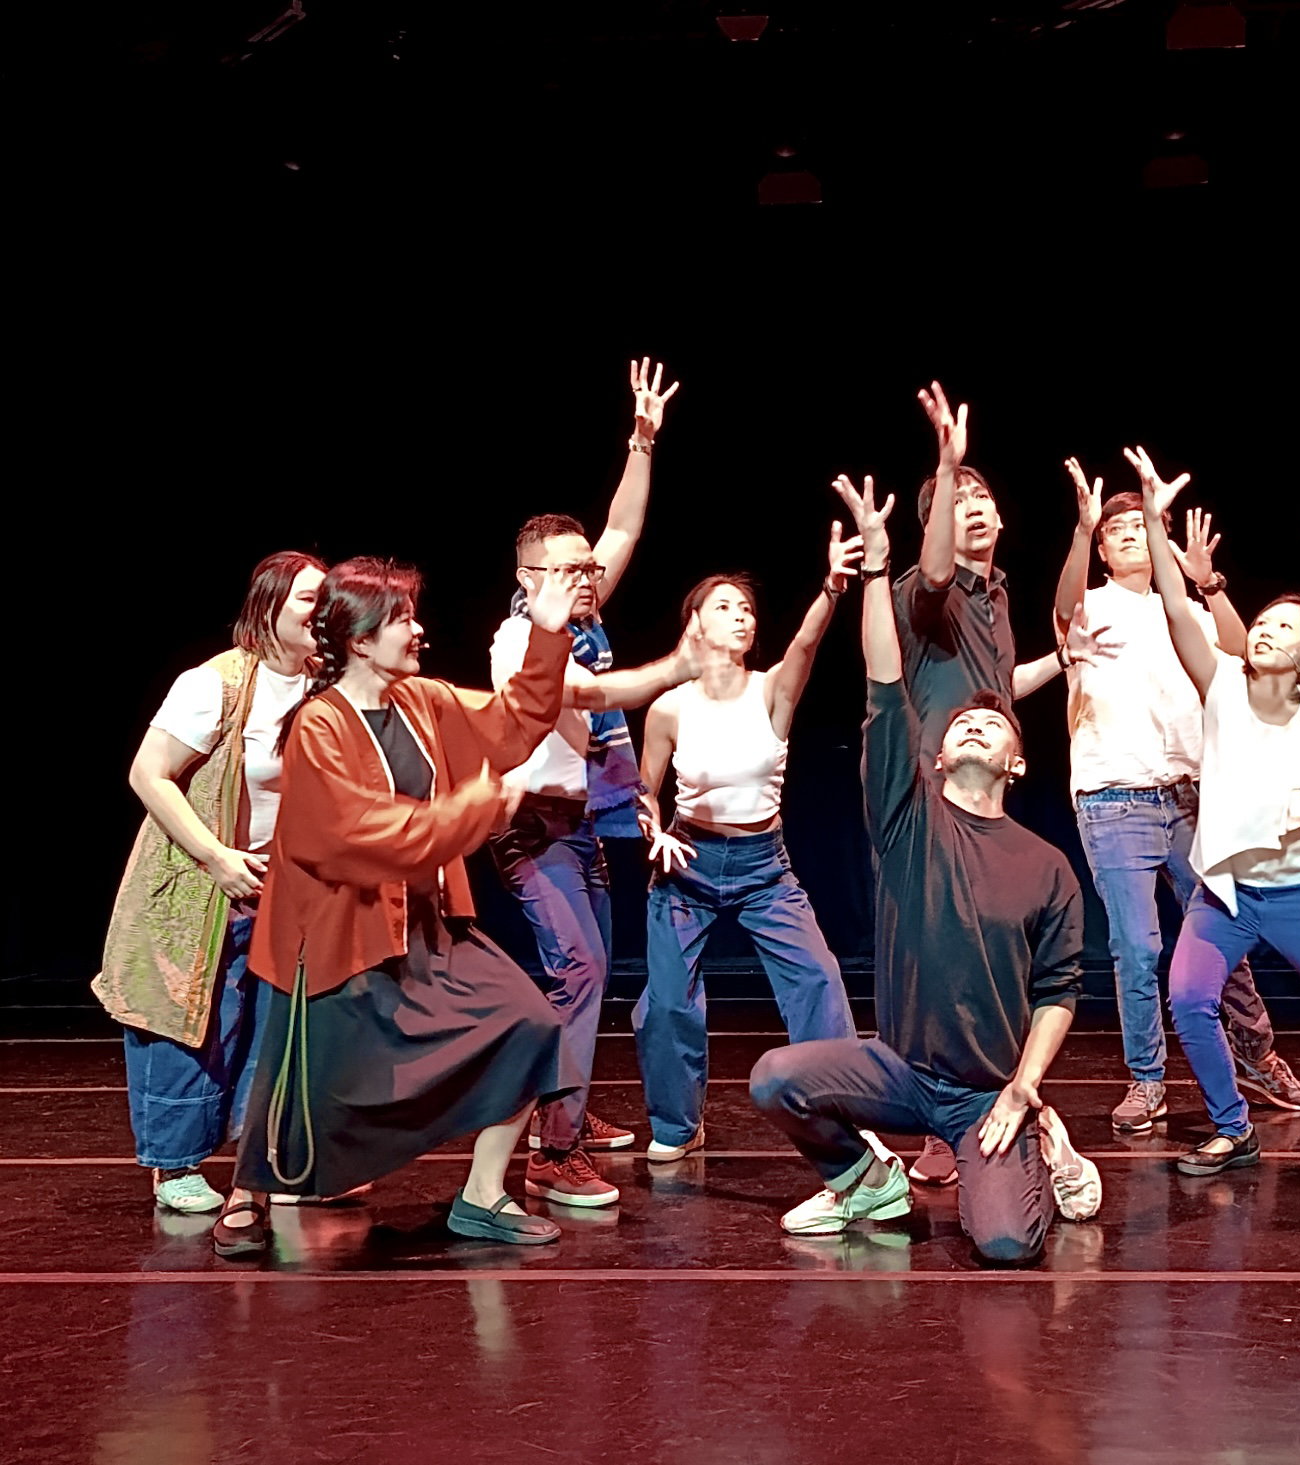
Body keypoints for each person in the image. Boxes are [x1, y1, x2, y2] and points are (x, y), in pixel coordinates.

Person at [748, 474, 1100, 1265]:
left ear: (1017, 761)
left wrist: (1022, 1086)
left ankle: (1039, 1143)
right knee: (774, 1078)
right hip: (901, 1074)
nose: (974, 721)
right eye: (960, 720)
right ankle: (864, 1179)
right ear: (935, 755)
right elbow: (884, 678)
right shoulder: (908, 821)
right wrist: (877, 569)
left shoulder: (1046, 866)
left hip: (985, 1091)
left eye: (991, 723)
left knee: (1005, 1243)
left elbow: (1058, 989)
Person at [210, 556, 588, 1258]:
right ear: (360, 640)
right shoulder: (318, 726)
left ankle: (482, 1195)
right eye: (402, 620)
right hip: (336, 930)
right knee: (302, 1078)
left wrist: (546, 632)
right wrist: (474, 808)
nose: (418, 631)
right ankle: (248, 1195)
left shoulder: (422, 700)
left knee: (532, 1024)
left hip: (426, 922)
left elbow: (512, 725)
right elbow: (356, 832)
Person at [1126, 447, 1300, 1175]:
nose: (1264, 630)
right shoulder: (1220, 683)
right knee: (1189, 999)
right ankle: (1233, 1127)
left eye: (1285, 628)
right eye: (1264, 621)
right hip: (1226, 892)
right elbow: (1172, 601)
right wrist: (1154, 521)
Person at [1052, 461, 1300, 1134]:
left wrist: (1210, 583)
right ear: (1101, 549)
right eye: (1113, 531)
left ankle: (1256, 1057)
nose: (1127, 536)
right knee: (1138, 949)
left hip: (1190, 798)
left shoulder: (1186, 609)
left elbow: (1245, 654)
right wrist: (1081, 529)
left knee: (1224, 937)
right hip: (1114, 799)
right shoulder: (1091, 606)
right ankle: (1147, 1079)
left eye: (1138, 525)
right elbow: (1064, 607)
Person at [486, 356, 678, 1208]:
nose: (586, 577)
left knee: (591, 971)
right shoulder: (518, 642)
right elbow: (576, 712)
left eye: (586, 568)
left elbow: (624, 528)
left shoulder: (581, 614)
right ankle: (552, 1152)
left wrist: (641, 440)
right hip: (530, 828)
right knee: (577, 969)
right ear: (529, 580)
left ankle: (562, 1106)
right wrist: (675, 668)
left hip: (581, 824)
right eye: (568, 570)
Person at [96, 551, 326, 1215]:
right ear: (270, 607)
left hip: (286, 888)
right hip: (203, 883)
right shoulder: (215, 684)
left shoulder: (324, 686)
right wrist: (214, 855)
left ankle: (269, 1159)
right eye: (310, 599)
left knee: (279, 1028)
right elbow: (149, 774)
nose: (323, 613)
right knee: (193, 1019)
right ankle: (175, 1165)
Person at [628, 524, 864, 1163]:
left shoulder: (771, 690)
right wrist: (653, 831)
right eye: (725, 606)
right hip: (688, 863)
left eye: (747, 609)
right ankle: (678, 1123)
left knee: (818, 979)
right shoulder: (670, 708)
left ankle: (840, 1111)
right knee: (666, 1005)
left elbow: (806, 644)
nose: (741, 616)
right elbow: (643, 790)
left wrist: (831, 588)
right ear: (695, 623)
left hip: (764, 866)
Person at [889, 382, 1074, 1184]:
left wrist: (1062, 661)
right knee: (930, 955)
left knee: (989, 956)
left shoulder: (996, 597)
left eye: (978, 498)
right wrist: (945, 463)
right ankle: (933, 1121)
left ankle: (1001, 1092)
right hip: (928, 797)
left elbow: (999, 686)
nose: (970, 507)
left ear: (1000, 518)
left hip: (984, 788)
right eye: (951, 502)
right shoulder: (925, 592)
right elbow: (934, 571)